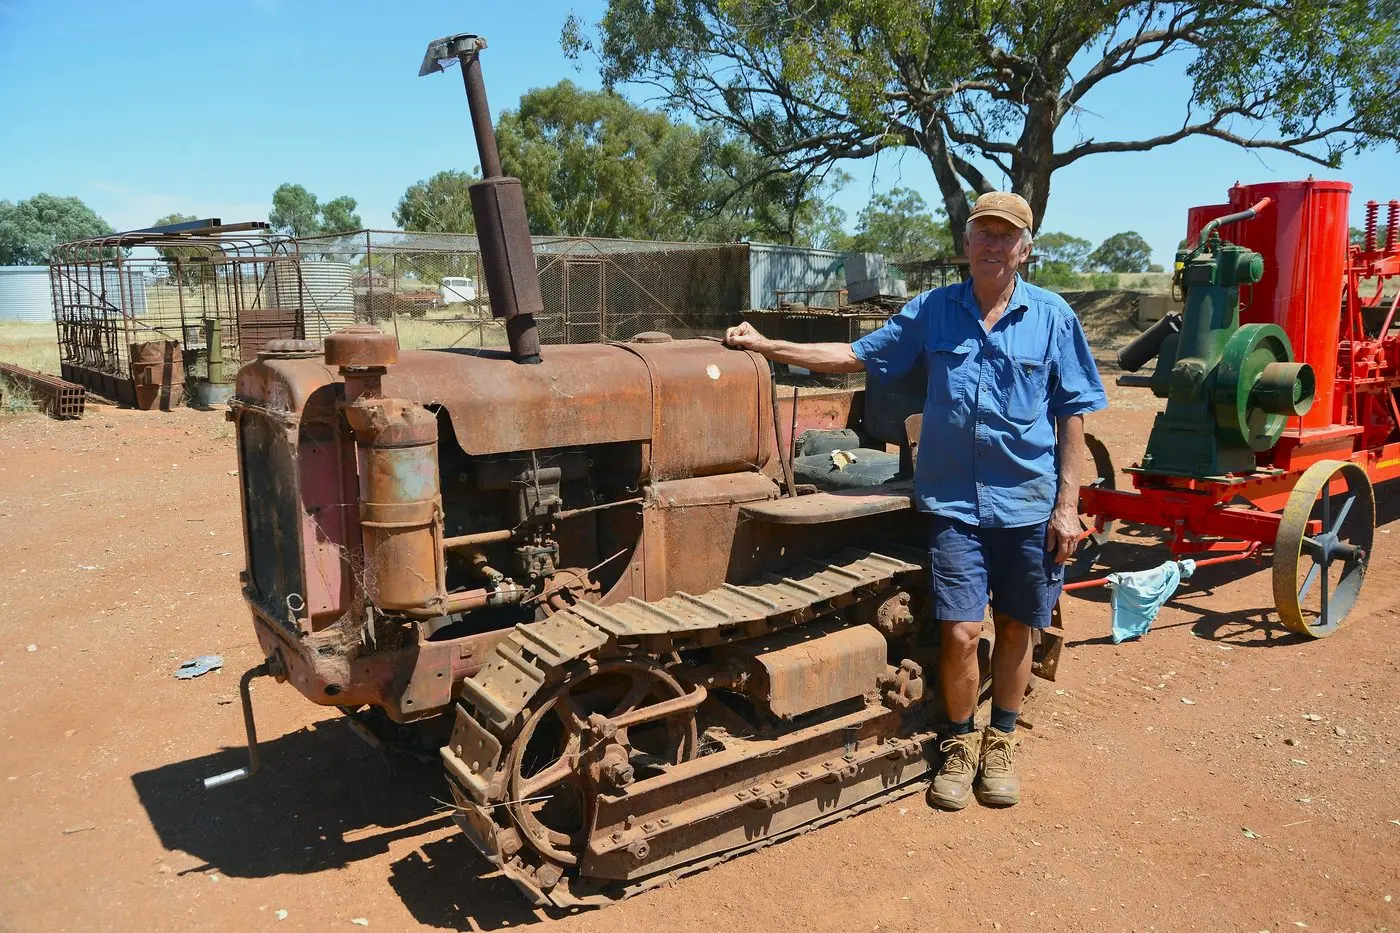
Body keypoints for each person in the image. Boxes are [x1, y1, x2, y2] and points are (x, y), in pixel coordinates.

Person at [725, 191, 1106, 810]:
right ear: (966, 244)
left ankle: (1001, 741)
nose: (992, 245)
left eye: (1005, 236)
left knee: (1017, 626)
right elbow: (854, 354)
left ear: (1025, 250)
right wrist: (769, 347)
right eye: (982, 232)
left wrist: (1068, 506)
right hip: (955, 504)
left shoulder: (1054, 317)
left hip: (1030, 503)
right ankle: (958, 744)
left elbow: (1072, 418)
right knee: (960, 631)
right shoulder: (934, 311)